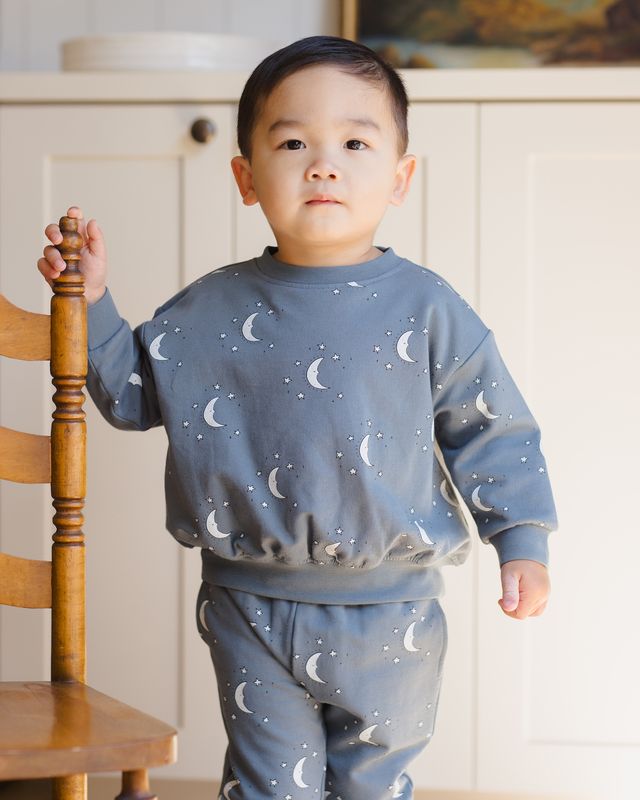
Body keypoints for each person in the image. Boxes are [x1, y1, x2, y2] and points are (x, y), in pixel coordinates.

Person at [38, 35, 558, 800]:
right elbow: (132, 392)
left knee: (371, 786)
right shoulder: (210, 310)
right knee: (269, 786)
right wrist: (91, 303)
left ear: (400, 178)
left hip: (394, 612)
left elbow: (491, 427)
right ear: (246, 178)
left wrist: (522, 540)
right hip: (249, 604)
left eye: (355, 143)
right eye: (292, 143)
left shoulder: (428, 309)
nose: (323, 165)